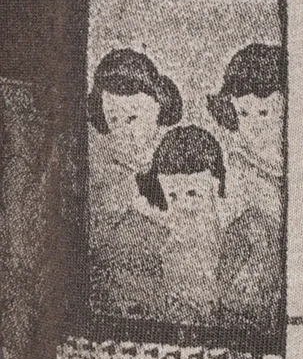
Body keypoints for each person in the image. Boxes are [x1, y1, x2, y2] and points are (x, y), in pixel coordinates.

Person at [93, 124, 281, 329]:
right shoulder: (149, 250)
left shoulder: (248, 243)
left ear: (217, 186)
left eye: (193, 193)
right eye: (173, 196)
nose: (183, 206)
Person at [88, 49, 185, 229]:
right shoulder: (107, 182)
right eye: (114, 119)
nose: (125, 131)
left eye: (132, 118)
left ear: (158, 107)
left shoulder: (181, 161)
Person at [207, 42, 284, 223]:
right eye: (243, 113)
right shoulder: (240, 165)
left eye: (264, 113)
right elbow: (228, 219)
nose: (253, 126)